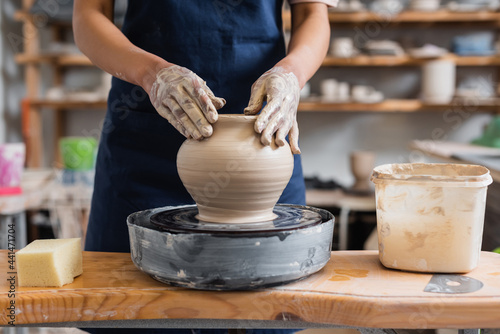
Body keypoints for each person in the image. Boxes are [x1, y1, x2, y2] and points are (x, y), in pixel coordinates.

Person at [73, 1, 335, 333]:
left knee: (265, 313)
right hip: (145, 140)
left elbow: (312, 13)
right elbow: (88, 16)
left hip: (260, 146)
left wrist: (292, 74)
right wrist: (151, 73)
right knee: (131, 309)